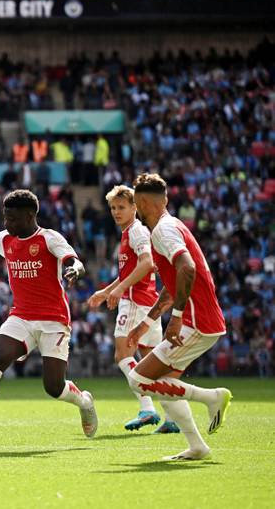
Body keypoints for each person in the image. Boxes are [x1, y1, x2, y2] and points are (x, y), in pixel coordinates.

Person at [0, 190, 98, 450]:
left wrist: (73, 270)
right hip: (21, 316)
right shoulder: (5, 239)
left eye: (12, 219)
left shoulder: (49, 238)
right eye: (5, 218)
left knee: (53, 387)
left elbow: (73, 260)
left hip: (53, 320)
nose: (6, 224)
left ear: (29, 216)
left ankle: (84, 402)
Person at [125, 173, 231, 461]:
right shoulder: (172, 226)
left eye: (135, 204)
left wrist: (177, 316)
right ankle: (197, 446)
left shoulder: (162, 231)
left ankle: (213, 397)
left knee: (138, 379)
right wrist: (146, 323)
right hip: (201, 320)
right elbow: (174, 286)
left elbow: (187, 269)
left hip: (195, 322)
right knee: (165, 386)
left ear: (142, 202)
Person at [88, 185, 179, 434]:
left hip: (136, 302)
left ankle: (147, 408)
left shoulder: (136, 232)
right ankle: (172, 417)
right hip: (146, 301)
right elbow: (132, 272)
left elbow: (147, 264)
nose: (116, 212)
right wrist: (107, 290)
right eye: (113, 208)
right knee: (154, 361)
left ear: (134, 208)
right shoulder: (131, 232)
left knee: (122, 355)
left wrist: (119, 291)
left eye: (121, 207)